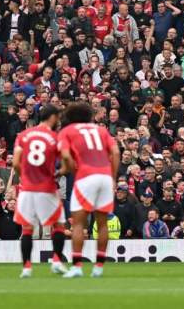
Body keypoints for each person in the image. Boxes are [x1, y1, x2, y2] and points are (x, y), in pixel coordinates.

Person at [58, 102, 120, 278]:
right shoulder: (101, 130)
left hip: (85, 177)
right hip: (105, 177)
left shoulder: (67, 131)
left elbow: (65, 155)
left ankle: (77, 266)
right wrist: (113, 177)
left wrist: (72, 170)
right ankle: (99, 266)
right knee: (102, 223)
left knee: (78, 223)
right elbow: (115, 153)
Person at [12, 105, 67, 278]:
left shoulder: (23, 136)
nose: (58, 120)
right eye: (57, 117)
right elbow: (67, 161)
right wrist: (59, 173)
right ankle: (57, 261)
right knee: (58, 224)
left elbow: (15, 163)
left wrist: (24, 177)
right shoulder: (54, 138)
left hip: (27, 188)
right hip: (47, 187)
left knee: (27, 228)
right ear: (51, 117)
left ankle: (27, 267)